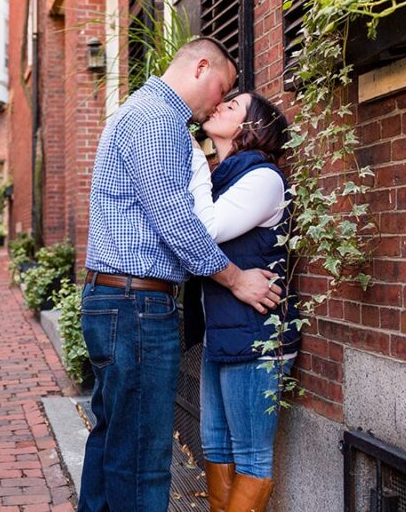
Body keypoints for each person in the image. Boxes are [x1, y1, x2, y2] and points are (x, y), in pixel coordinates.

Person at [80, 37, 283, 512]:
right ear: (201, 67)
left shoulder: (145, 113)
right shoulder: (157, 121)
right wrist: (236, 278)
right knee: (144, 455)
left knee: (114, 440)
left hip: (117, 300)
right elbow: (176, 221)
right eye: (223, 88)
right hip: (136, 305)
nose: (219, 100)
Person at [185, 92, 301, 512]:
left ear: (252, 127)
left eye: (232, 106)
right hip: (224, 332)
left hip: (256, 337)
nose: (218, 106)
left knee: (251, 454)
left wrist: (197, 161)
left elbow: (206, 230)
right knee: (215, 447)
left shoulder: (262, 178)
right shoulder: (227, 177)